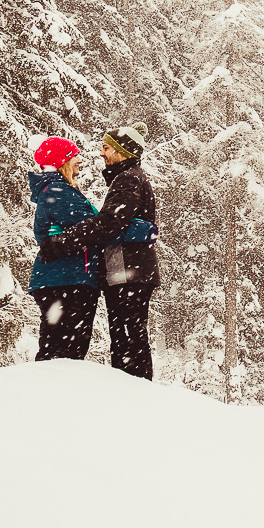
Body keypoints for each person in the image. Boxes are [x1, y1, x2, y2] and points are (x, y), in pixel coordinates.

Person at [40, 123, 159, 379]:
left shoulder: (128, 179)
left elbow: (108, 223)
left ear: (123, 151)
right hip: (127, 270)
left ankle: (134, 391)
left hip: (127, 272)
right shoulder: (129, 178)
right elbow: (118, 224)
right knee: (128, 336)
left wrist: (62, 242)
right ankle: (133, 388)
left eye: (106, 148)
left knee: (128, 338)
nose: (101, 154)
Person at [27, 136, 102, 362]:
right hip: (66, 279)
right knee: (66, 349)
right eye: (74, 156)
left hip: (62, 278)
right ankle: (52, 391)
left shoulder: (58, 190)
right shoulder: (58, 190)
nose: (80, 161)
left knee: (59, 345)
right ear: (62, 162)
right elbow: (94, 227)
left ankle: (52, 389)